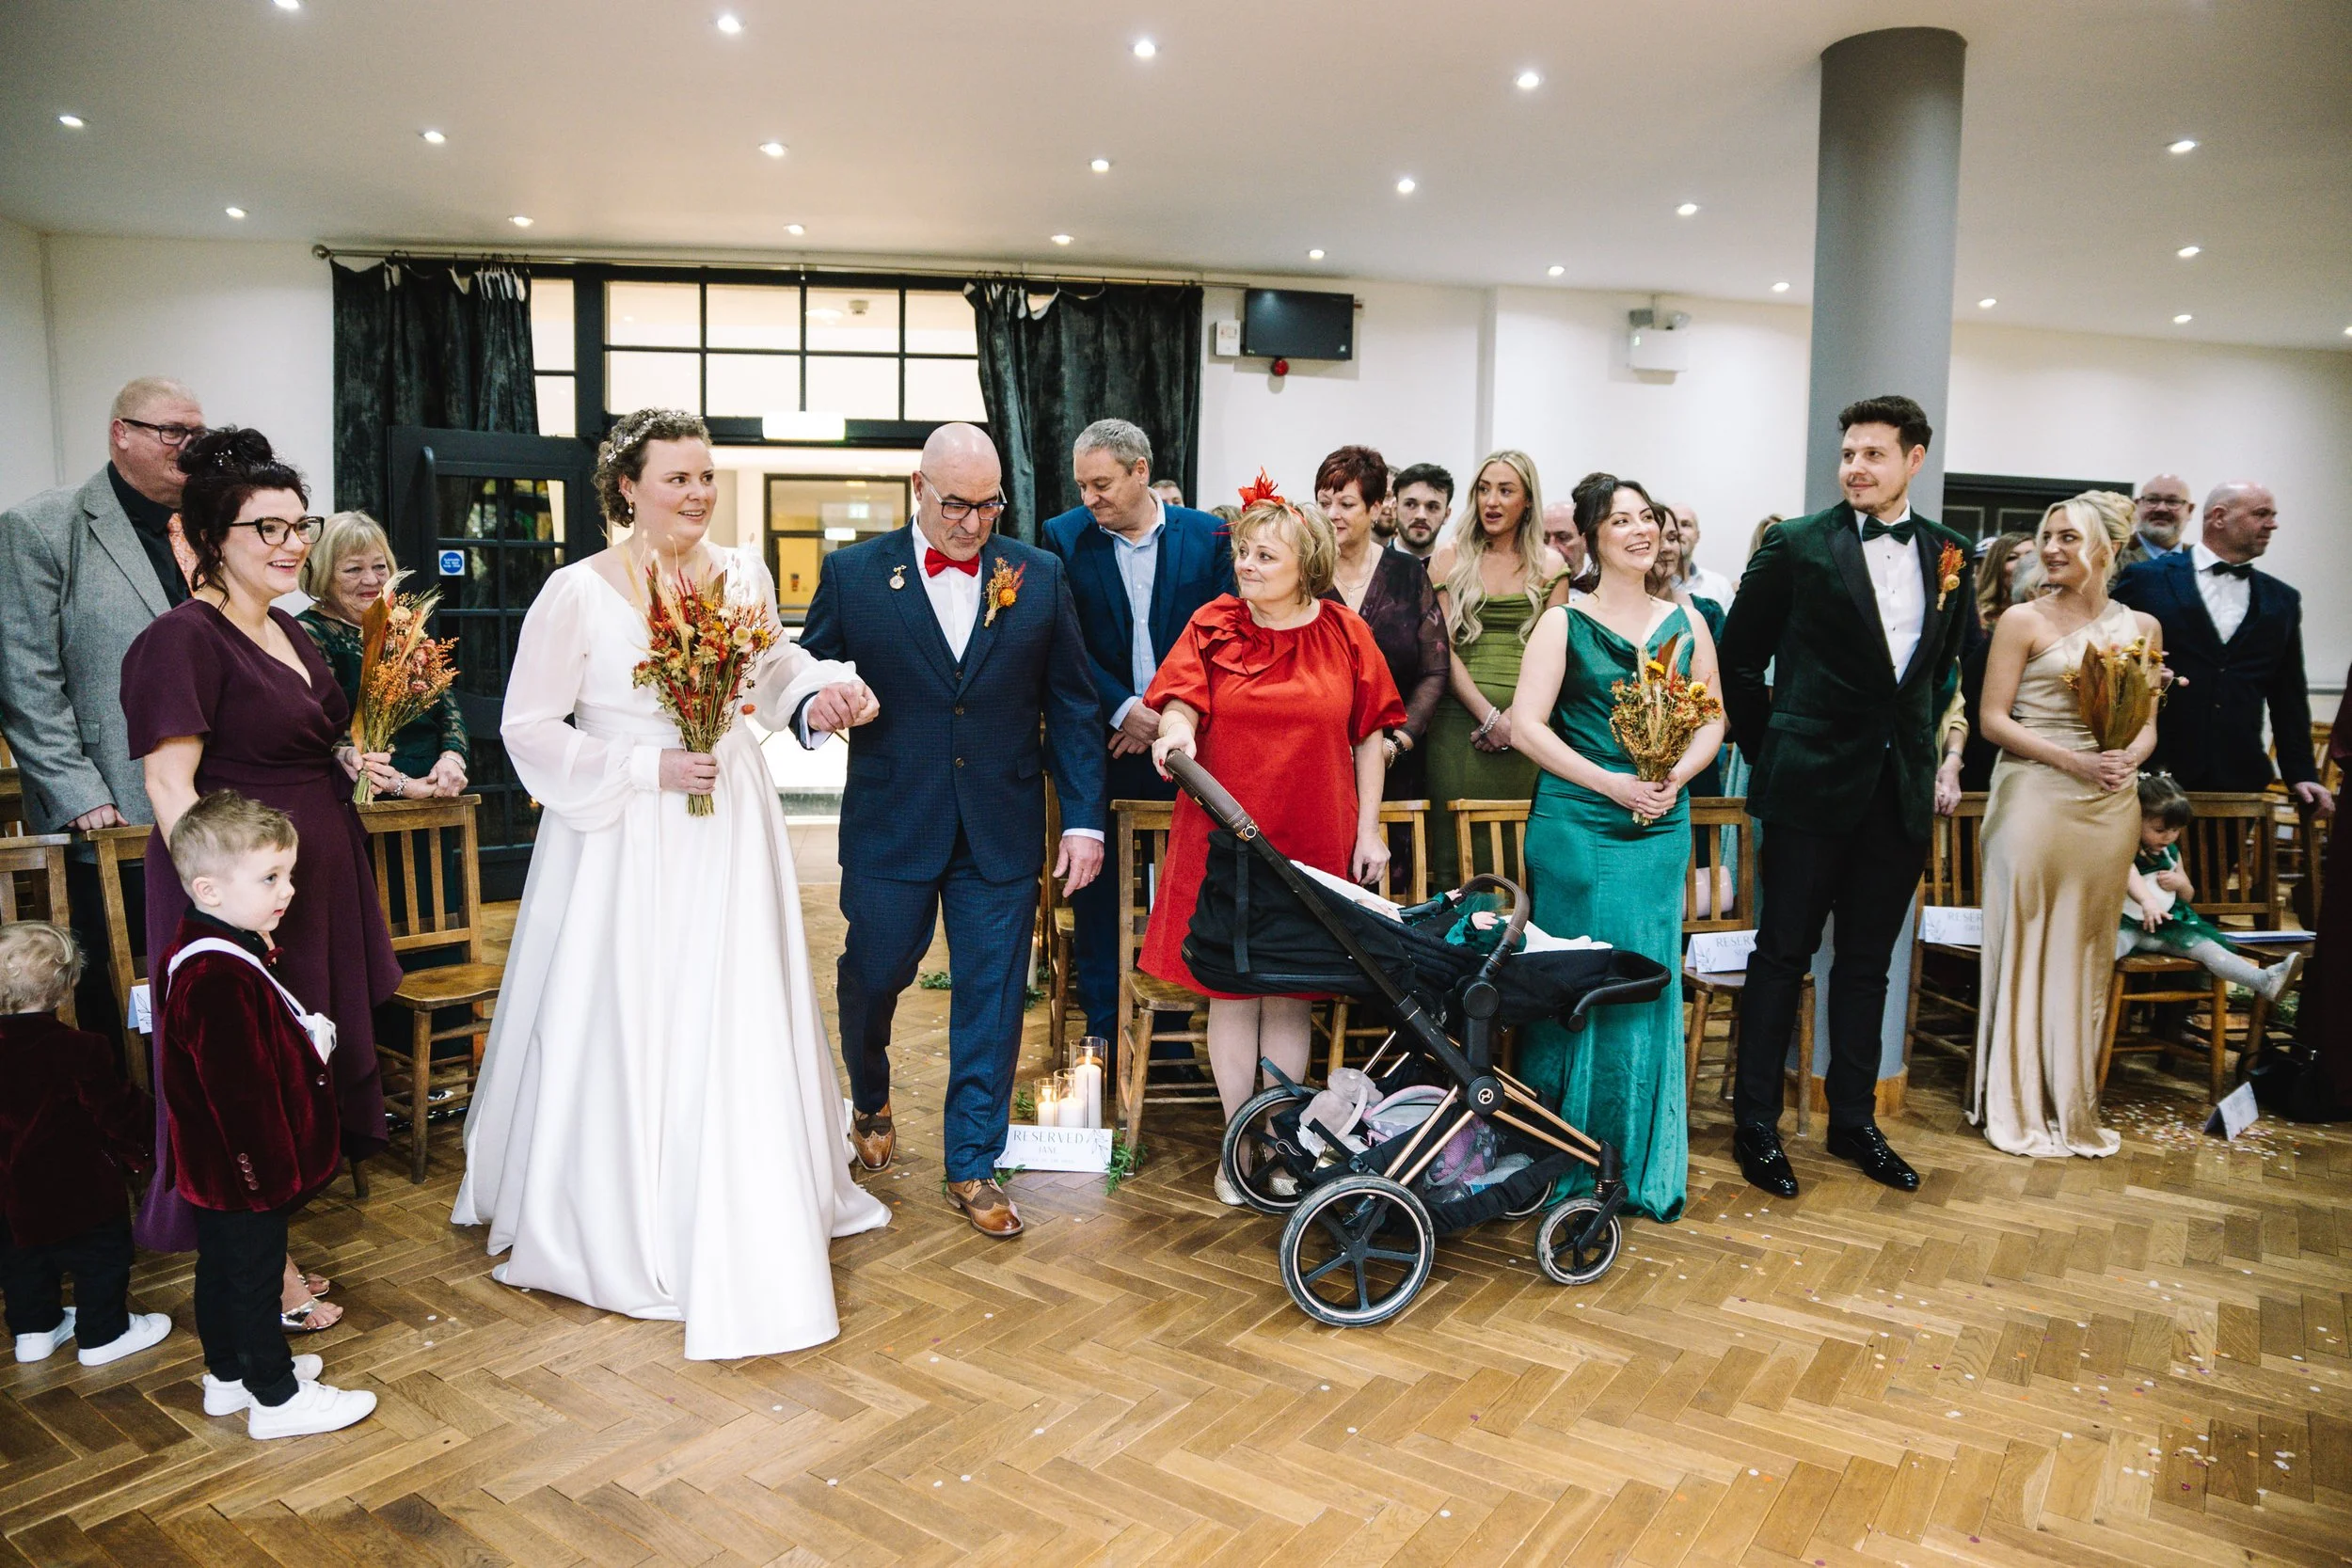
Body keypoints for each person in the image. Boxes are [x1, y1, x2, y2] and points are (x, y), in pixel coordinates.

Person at [452, 409, 888, 1355]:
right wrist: (643, 768)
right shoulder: (576, 592)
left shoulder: (742, 573)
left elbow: (770, 667)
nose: (697, 494)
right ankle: (626, 1204)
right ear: (627, 487)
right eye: (676, 478)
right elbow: (529, 726)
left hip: (729, 810)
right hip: (623, 831)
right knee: (632, 998)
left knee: (734, 993)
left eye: (705, 476)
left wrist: (817, 693)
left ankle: (751, 1184)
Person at [794, 422, 1104, 1240]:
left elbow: (1073, 704)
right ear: (918, 489)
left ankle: (973, 1161)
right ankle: (869, 1092)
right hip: (892, 821)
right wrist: (816, 707)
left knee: (993, 996)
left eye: (989, 505)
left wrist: (1082, 820)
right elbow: (804, 672)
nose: (972, 523)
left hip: (1000, 825)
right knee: (874, 972)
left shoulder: (1037, 575)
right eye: (956, 504)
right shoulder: (854, 574)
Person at [120, 430, 404, 1282]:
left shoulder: (287, 627)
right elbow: (169, 784)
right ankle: (264, 1281)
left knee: (299, 1071)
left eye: (298, 526)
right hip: (237, 894)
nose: (291, 545)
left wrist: (346, 757)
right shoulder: (182, 638)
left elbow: (299, 735)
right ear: (212, 538)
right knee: (247, 1086)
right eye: (266, 529)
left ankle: (273, 1256)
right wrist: (226, 914)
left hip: (307, 883)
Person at [1717, 395, 1971, 1197]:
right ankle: (1756, 1124)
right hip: (1807, 784)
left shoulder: (1951, 553)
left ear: (1914, 459)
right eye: (1849, 453)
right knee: (1781, 956)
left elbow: (1943, 668)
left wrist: (1921, 747)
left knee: (1867, 963)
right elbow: (1737, 659)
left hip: (1898, 791)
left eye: (1874, 454)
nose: (1856, 467)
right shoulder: (1796, 545)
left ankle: (1854, 1120)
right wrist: (1772, 750)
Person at [1142, 488, 1404, 1204]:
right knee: (1231, 992)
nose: (1247, 565)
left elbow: (1370, 736)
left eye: (1265, 555)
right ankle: (1239, 1148)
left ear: (1306, 564)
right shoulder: (1214, 623)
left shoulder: (1346, 633)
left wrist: (1369, 829)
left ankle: (1282, 1140)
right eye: (1243, 551)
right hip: (1223, 837)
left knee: (1290, 993)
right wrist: (1176, 732)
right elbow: (1180, 702)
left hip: (1312, 833)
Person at [1510, 475, 1722, 1223]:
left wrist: (1672, 777)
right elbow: (1526, 725)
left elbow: (1712, 718)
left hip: (1658, 823)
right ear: (1594, 537)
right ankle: (1562, 1158)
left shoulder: (1687, 622)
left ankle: (1635, 1162)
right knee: (1577, 980)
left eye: (1647, 518)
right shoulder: (1563, 621)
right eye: (1621, 520)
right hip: (1579, 822)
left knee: (1646, 976)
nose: (1640, 530)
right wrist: (1611, 782)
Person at [155, 792, 374, 1436]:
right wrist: (266, 1179)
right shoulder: (218, 975)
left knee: (222, 1270)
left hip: (218, 1168)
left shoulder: (212, 947)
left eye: (288, 874)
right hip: (244, 1170)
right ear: (209, 889)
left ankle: (228, 1377)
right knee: (252, 1278)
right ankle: (276, 1399)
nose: (289, 890)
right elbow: (240, 1096)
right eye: (270, 878)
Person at [0, 376, 204, 1034]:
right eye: (172, 431)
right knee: (126, 993)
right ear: (122, 434)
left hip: (213, 797)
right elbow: (24, 674)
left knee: (206, 977)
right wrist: (75, 788)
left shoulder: (210, 524)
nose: (188, 446)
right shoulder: (43, 526)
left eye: (197, 432)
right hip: (110, 801)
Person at [1973, 496, 2160, 1158]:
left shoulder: (2142, 625)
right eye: (2047, 536)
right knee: (2027, 940)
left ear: (2106, 548)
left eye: (2068, 538)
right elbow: (1993, 720)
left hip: (2109, 806)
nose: (2051, 548)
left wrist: (2129, 759)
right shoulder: (2022, 619)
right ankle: (2016, 1096)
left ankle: (2070, 1100)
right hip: (2034, 796)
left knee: (2087, 947)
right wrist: (2074, 760)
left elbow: (2147, 723)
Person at [1041, 420, 1232, 1053]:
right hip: (1106, 744)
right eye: (1082, 486)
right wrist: (1124, 710)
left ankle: (1170, 1039)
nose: (1089, 498)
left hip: (1188, 747)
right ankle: (1100, 1034)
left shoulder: (1207, 537)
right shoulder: (1064, 537)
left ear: (1140, 470)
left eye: (1101, 484)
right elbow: (1063, 641)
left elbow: (1222, 638)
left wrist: (1163, 713)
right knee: (1100, 896)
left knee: (1182, 890)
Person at [0, 922, 169, 1369]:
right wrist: (149, 1143)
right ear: (65, 988)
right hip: (80, 1187)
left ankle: (34, 1332)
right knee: (101, 1257)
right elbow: (116, 1111)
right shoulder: (81, 1048)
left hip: (9, 1192)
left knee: (20, 1257)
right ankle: (103, 1334)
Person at [2112, 482, 2332, 816]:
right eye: (2261, 514)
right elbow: (2109, 655)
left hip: (2239, 777)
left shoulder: (2281, 599)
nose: (2272, 524)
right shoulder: (2146, 580)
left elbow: (2288, 694)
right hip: (2153, 770)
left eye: (2272, 516)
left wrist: (2301, 773)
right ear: (2218, 517)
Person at [1425, 451, 1569, 882]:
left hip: (1530, 729)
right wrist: (1490, 718)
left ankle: (1518, 926)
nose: (1491, 501)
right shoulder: (1449, 558)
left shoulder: (1551, 566)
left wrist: (1517, 719)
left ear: (1527, 501)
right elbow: (1441, 648)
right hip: (1458, 725)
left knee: (1518, 852)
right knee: (1455, 854)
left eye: (1505, 491)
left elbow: (1557, 654)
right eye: (1484, 489)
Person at [294, 513, 469, 799]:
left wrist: (452, 758)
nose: (372, 579)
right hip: (365, 797)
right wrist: (401, 785)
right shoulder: (309, 634)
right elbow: (320, 732)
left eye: (380, 566)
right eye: (353, 569)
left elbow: (446, 705)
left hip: (436, 792)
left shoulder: (401, 626)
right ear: (323, 574)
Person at [1314, 444, 1445, 802]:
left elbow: (1434, 670)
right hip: (1317, 762)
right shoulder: (1306, 576)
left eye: (1346, 504)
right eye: (1324, 503)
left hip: (1396, 765)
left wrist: (1396, 744)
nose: (1332, 515)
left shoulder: (1407, 573)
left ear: (1375, 508)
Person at [2119, 772, 2303, 1000]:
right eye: (2160, 830)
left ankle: (2264, 980)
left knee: (2209, 949)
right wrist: (2147, 901)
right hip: (2125, 926)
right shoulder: (2126, 847)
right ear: (2135, 820)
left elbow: (2187, 896)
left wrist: (2180, 883)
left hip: (2167, 928)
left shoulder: (2170, 853)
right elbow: (2129, 873)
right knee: (2103, 952)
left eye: (2175, 830)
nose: (2168, 837)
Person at [1950, 531, 2036, 792]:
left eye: (2031, 554)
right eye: (2013, 557)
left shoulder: (2047, 622)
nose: (2024, 562)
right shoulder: (1975, 613)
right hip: (1976, 721)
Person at [2117, 472, 2193, 570]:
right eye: (2152, 500)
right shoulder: (2113, 554)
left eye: (2172, 501)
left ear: (2190, 510)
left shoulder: (2199, 560)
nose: (2161, 509)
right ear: (2137, 505)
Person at [1666, 502, 1737, 607]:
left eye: (1685, 524)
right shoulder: (1653, 588)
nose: (1679, 531)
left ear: (1697, 536)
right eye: (1673, 525)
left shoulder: (1721, 585)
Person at [1392, 463, 1454, 562]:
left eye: (1432, 507)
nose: (1421, 515)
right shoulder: (1373, 565)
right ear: (1394, 509)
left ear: (1446, 515)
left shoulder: (1456, 568)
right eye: (1410, 504)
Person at [1540, 500, 1587, 584]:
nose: (1551, 548)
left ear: (1585, 541)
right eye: (1545, 539)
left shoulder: (1604, 586)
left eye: (1563, 538)